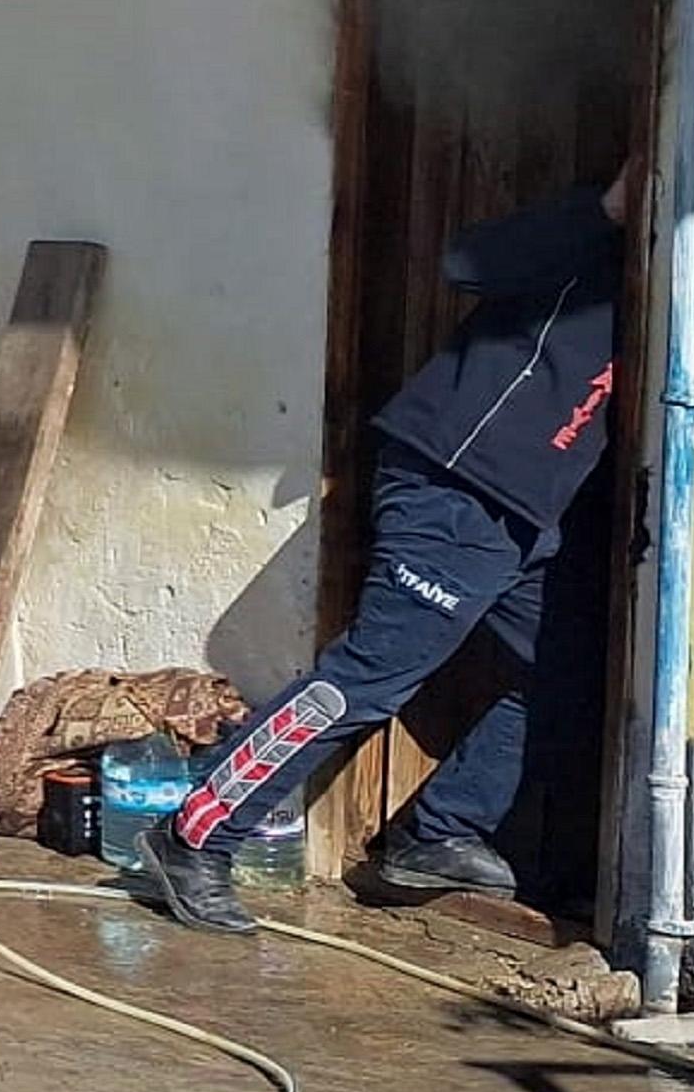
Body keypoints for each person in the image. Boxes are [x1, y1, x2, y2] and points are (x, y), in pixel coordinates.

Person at [137, 164, 635, 932]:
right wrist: (606, 209)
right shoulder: (587, 240)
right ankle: (195, 835)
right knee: (368, 676)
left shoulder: (673, 280)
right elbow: (466, 261)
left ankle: (438, 834)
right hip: (457, 483)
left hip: (534, 517)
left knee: (567, 675)